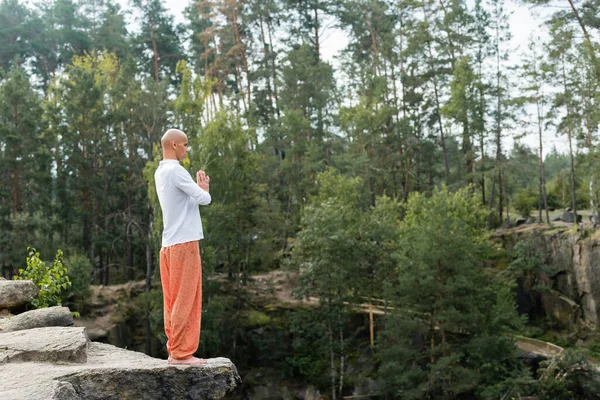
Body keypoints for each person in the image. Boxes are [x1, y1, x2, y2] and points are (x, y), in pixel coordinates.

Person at [154, 128, 211, 365]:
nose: (187, 149)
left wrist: (197, 192)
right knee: (187, 298)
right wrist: (204, 189)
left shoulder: (161, 171)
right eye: (185, 144)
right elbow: (204, 199)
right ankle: (180, 353)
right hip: (184, 243)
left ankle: (174, 349)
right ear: (174, 144)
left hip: (168, 245)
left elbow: (184, 200)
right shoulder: (177, 171)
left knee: (172, 300)